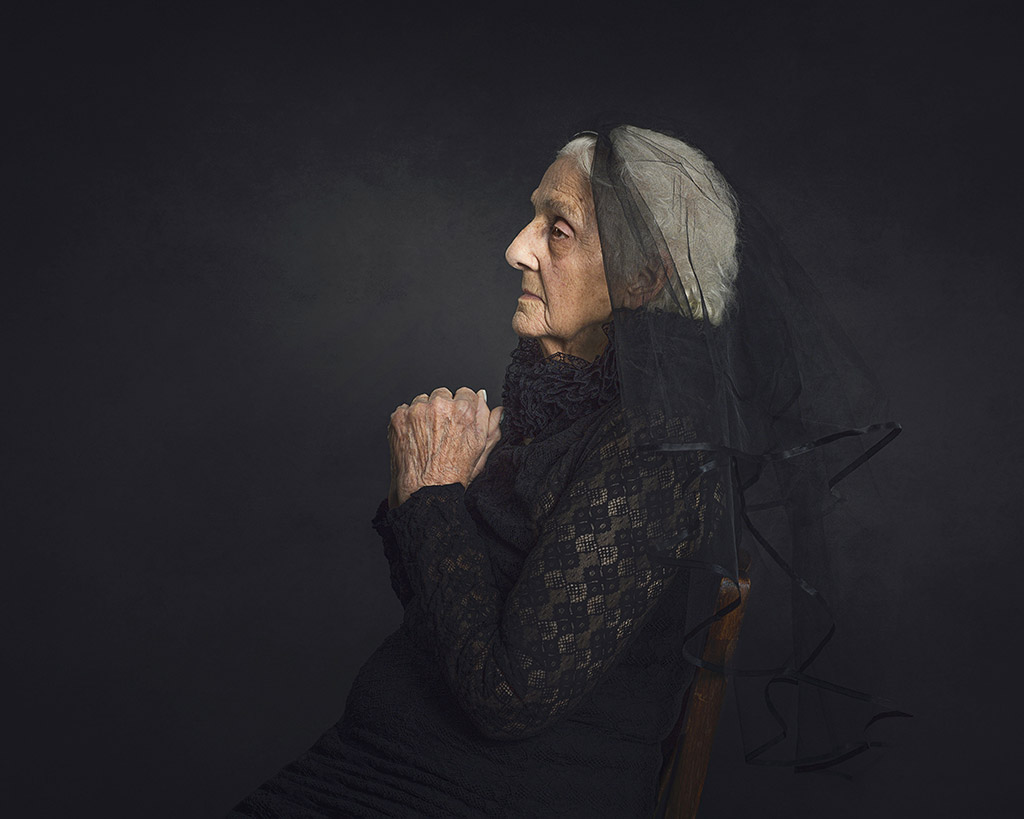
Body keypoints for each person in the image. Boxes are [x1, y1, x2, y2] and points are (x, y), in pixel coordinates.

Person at [229, 125, 903, 818]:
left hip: (476, 797)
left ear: (645, 277)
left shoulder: (656, 455)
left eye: (559, 230)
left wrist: (431, 499)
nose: (517, 247)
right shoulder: (559, 400)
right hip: (376, 769)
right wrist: (428, 493)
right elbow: (442, 618)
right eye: (534, 219)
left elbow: (508, 696)